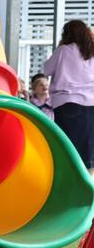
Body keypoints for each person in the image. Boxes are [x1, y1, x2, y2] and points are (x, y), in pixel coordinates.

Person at [43, 19, 94, 168]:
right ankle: (89, 183)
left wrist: (59, 47)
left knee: (69, 147)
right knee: (89, 147)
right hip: (92, 102)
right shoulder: (91, 51)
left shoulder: (63, 50)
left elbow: (46, 69)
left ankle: (71, 182)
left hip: (68, 103)